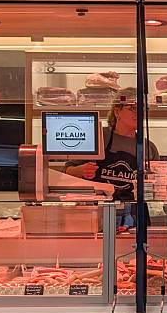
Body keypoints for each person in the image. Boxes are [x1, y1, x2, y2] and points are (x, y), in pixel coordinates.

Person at [65, 87, 159, 228]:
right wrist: (81, 170)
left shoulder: (148, 147)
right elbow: (66, 170)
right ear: (117, 111)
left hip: (133, 215)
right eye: (132, 108)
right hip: (97, 212)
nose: (139, 113)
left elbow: (156, 184)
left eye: (143, 109)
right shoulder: (98, 137)